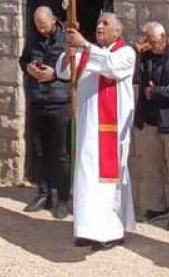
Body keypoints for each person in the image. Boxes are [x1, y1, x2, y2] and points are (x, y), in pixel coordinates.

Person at [55, 13, 136, 250]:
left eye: (105, 23)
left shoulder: (126, 53)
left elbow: (109, 67)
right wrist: (69, 53)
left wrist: (84, 45)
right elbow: (64, 72)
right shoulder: (88, 50)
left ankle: (111, 232)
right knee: (86, 176)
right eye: (98, 22)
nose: (99, 26)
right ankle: (87, 228)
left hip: (112, 128)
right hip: (88, 127)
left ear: (118, 32)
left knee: (108, 179)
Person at [132, 21, 169, 229]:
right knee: (151, 168)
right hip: (149, 121)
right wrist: (136, 51)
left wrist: (155, 91)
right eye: (148, 41)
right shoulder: (145, 58)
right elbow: (133, 78)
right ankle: (157, 207)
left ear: (164, 38)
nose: (151, 45)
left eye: (154, 41)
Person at [19, 6, 71, 218]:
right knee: (39, 150)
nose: (41, 30)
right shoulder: (32, 38)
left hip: (59, 101)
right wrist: (28, 68)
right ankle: (43, 194)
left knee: (61, 153)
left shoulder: (68, 38)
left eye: (44, 26)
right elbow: (23, 60)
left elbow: (77, 68)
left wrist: (55, 74)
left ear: (53, 21)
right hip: (37, 99)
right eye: (37, 26)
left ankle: (63, 199)